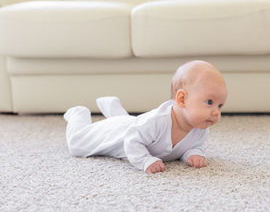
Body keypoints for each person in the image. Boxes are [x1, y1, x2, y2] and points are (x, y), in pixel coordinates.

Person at [63, 60, 228, 174]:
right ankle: (78, 113)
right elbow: (132, 141)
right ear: (182, 99)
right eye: (209, 102)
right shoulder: (157, 121)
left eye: (220, 105)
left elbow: (192, 145)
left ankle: (112, 106)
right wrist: (145, 160)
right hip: (120, 133)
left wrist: (193, 154)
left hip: (135, 124)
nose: (216, 112)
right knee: (77, 145)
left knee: (133, 123)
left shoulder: (200, 127)